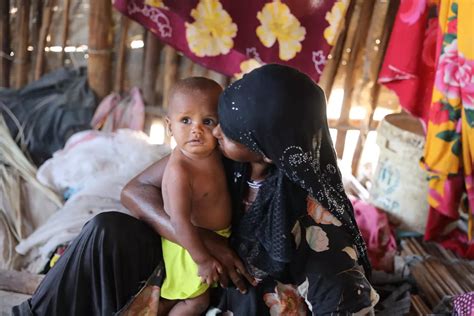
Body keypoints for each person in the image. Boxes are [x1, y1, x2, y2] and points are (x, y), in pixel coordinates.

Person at [14, 64, 378, 315]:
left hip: (228, 301)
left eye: (226, 128)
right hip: (186, 268)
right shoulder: (219, 154)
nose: (213, 133)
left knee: (255, 295)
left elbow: (344, 298)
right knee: (106, 229)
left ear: (267, 147)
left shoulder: (317, 223)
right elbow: (136, 190)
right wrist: (203, 241)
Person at [157, 77, 231, 315]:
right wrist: (202, 260)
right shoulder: (180, 170)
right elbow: (178, 221)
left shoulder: (215, 154)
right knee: (195, 300)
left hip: (212, 239)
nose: (196, 130)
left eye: (207, 121)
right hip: (188, 244)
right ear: (170, 126)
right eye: (185, 120)